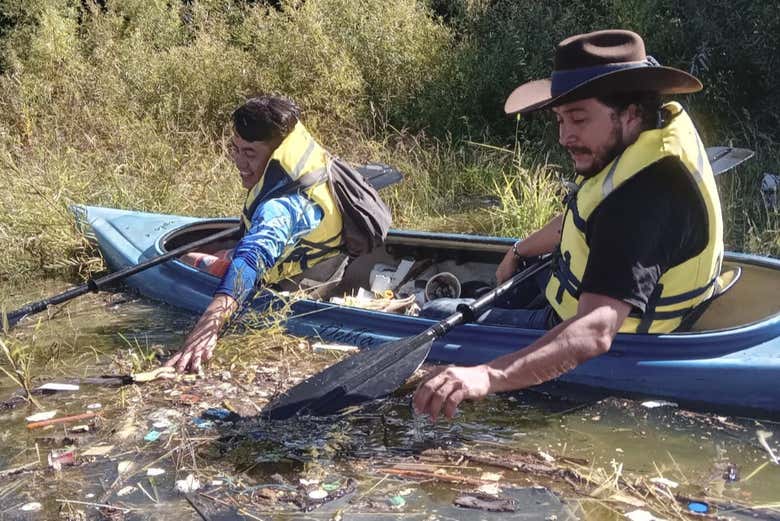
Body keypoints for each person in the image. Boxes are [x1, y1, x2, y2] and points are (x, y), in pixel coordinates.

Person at [413, 29, 725, 420]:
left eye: (577, 118)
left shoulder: (645, 198)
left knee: (433, 313)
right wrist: (518, 250)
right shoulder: (637, 141)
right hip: (573, 287)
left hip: (599, 326)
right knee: (486, 289)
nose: (564, 137)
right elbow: (581, 217)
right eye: (560, 120)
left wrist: (487, 375)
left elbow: (595, 330)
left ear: (630, 112)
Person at [166, 95, 353, 373]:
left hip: (292, 280)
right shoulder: (311, 164)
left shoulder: (279, 208)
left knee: (185, 258)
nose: (239, 162)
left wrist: (208, 327)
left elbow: (251, 260)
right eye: (236, 149)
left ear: (277, 150)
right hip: (325, 265)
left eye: (250, 153)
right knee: (221, 253)